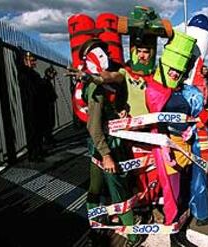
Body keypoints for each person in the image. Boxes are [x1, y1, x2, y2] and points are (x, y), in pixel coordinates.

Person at [77, 39, 143, 247]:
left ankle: (96, 226)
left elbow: (116, 80)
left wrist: (119, 111)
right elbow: (94, 127)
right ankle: (133, 235)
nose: (106, 55)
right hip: (106, 146)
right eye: (101, 52)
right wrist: (106, 155)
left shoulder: (101, 83)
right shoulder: (95, 90)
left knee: (95, 188)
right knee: (118, 189)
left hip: (100, 145)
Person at [18, 51, 44, 162]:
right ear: (25, 60)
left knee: (38, 129)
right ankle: (33, 153)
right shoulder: (24, 73)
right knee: (32, 130)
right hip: (29, 105)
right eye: (32, 60)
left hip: (36, 104)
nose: (34, 63)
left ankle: (38, 150)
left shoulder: (33, 74)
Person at [41, 65, 58, 145]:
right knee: (48, 122)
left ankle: (49, 137)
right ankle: (48, 139)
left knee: (51, 122)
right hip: (46, 105)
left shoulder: (47, 82)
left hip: (49, 104)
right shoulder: (44, 82)